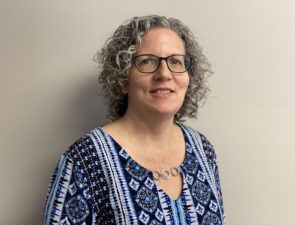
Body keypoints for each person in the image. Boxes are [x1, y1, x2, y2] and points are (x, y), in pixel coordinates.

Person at [43, 15, 226, 225]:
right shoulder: (85, 160)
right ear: (122, 79)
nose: (164, 74)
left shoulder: (203, 150)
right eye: (147, 61)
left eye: (176, 61)